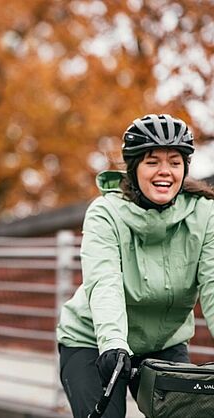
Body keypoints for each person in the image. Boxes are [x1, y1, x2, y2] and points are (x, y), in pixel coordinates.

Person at [56, 113, 214, 418]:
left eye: (175, 162)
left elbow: (213, 285)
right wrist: (113, 342)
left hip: (164, 342)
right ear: (134, 168)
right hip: (95, 340)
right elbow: (104, 282)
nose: (164, 171)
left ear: (185, 169)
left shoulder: (205, 215)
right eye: (152, 161)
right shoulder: (105, 213)